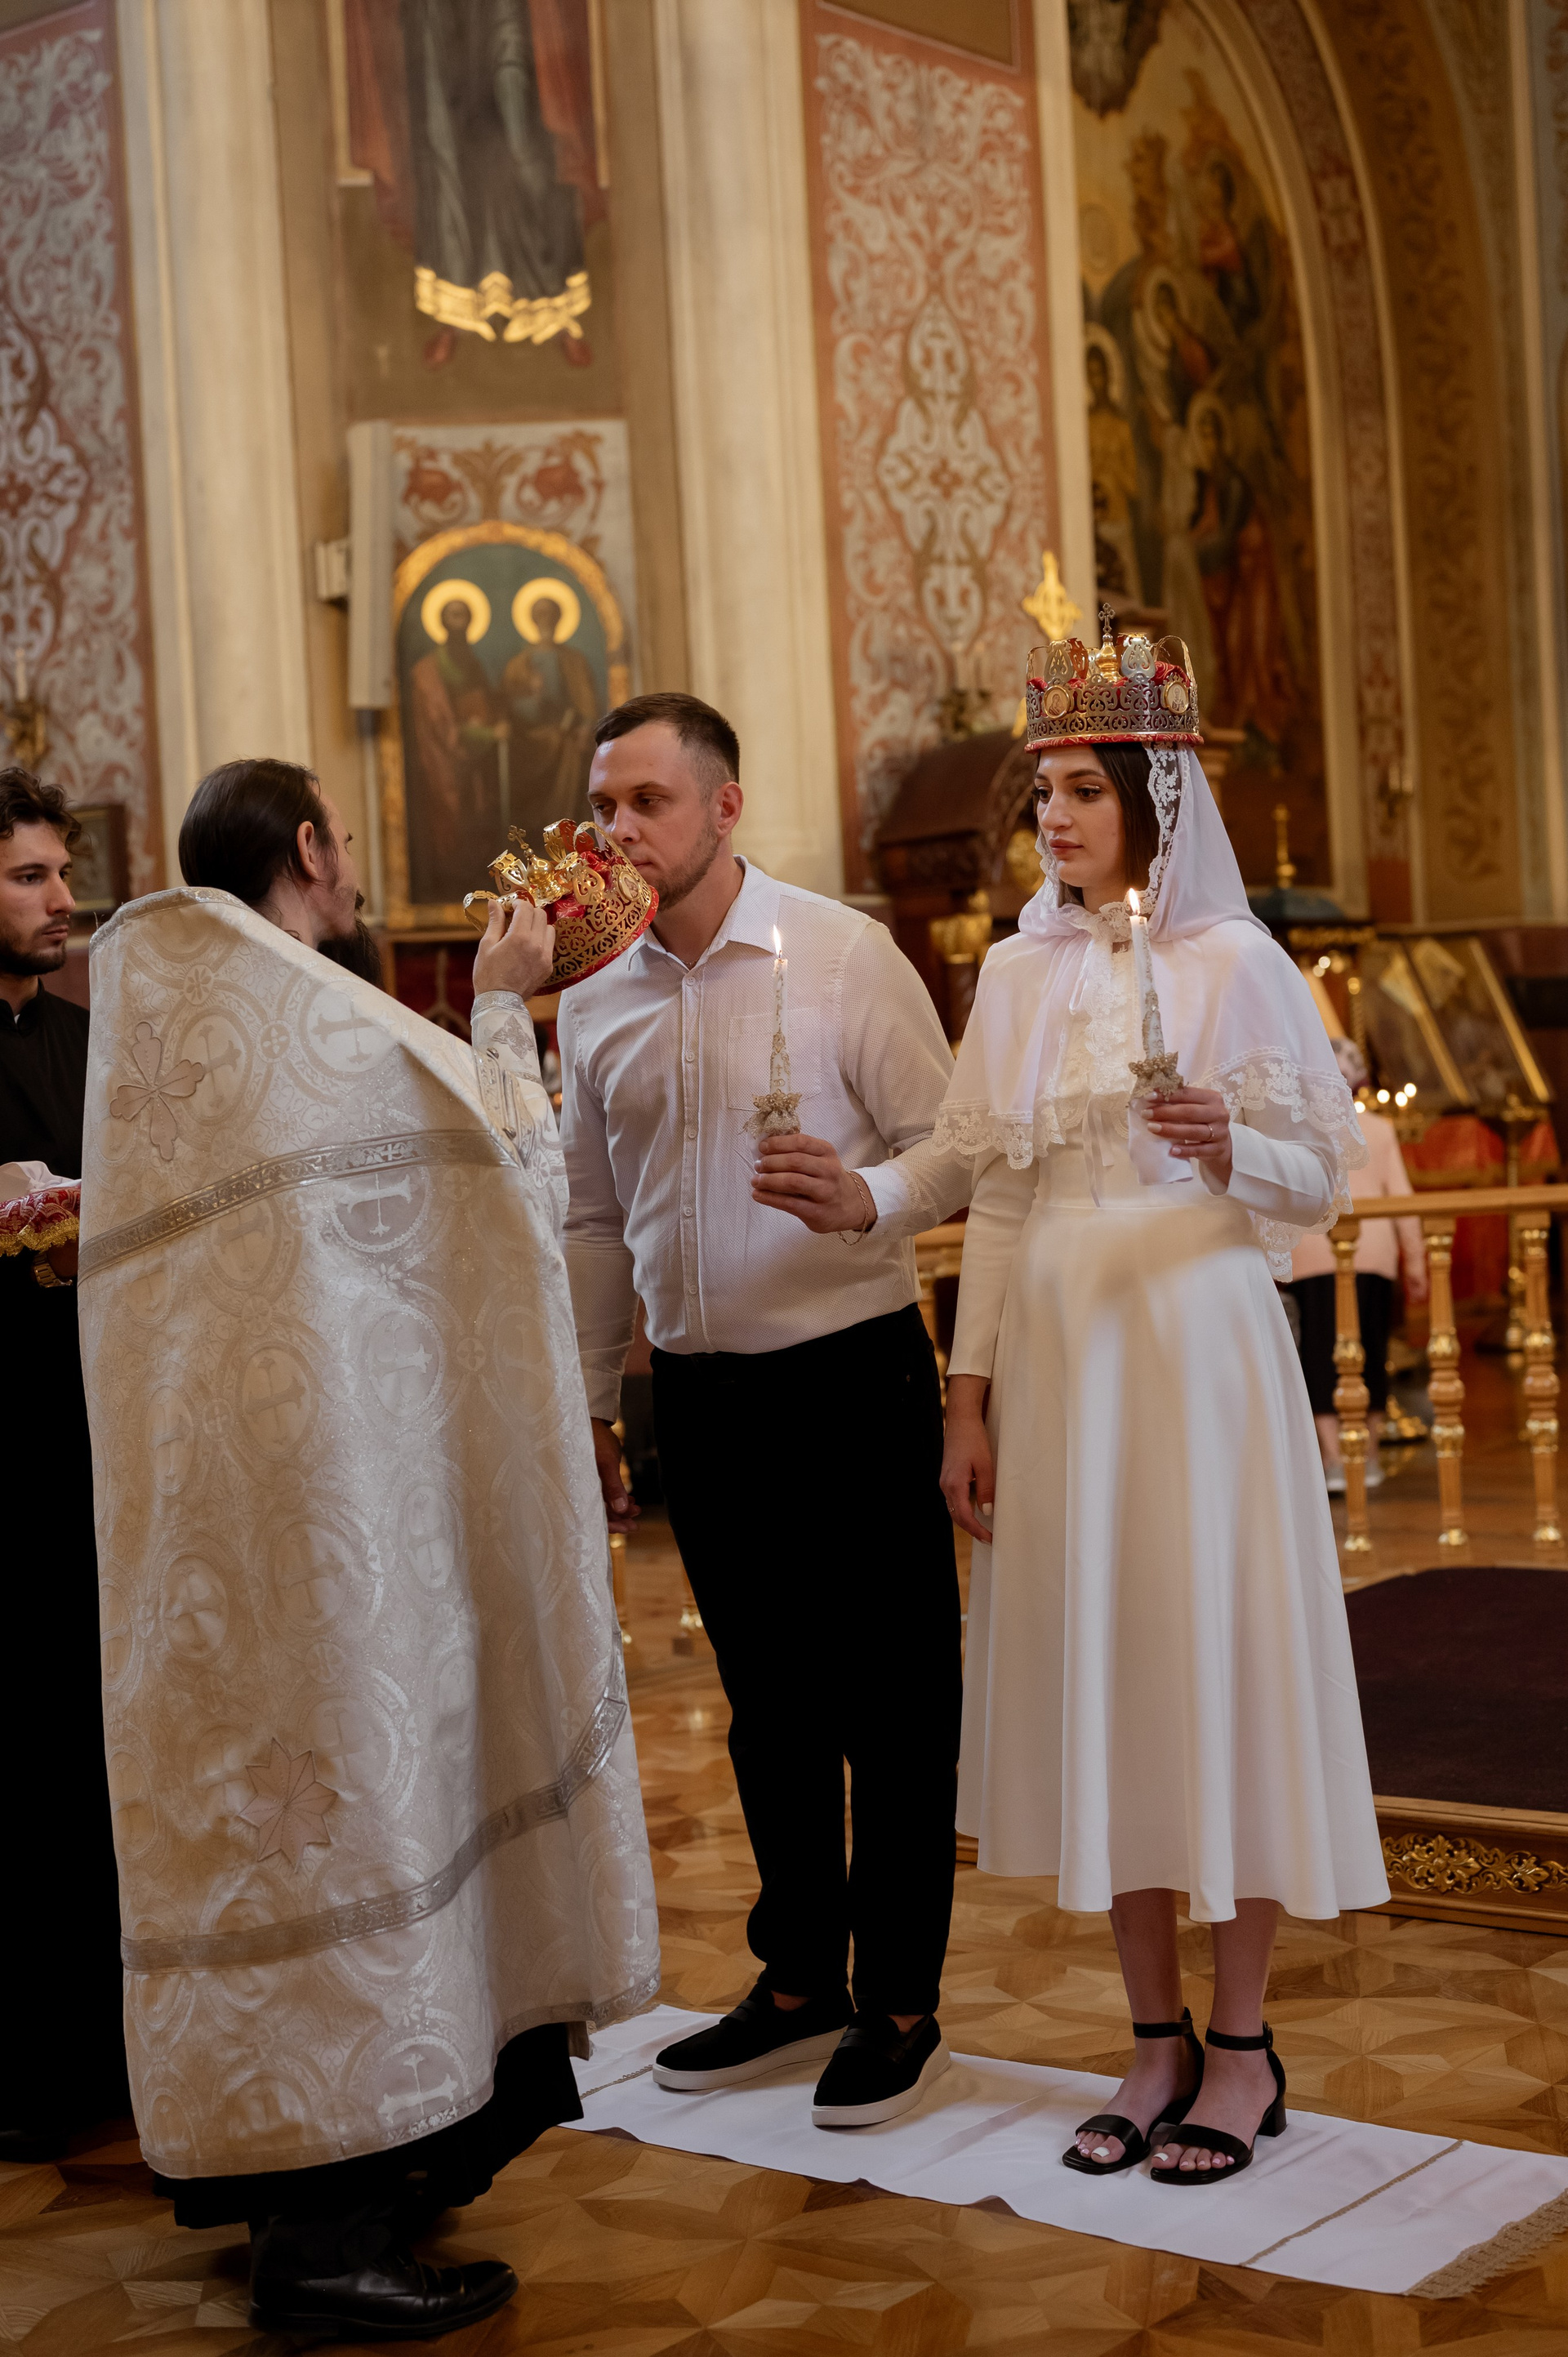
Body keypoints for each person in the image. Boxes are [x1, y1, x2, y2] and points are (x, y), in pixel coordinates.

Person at [78, 758, 657, 2338]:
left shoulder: (185, 1022)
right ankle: (327, 2241)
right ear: (310, 849)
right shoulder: (318, 1030)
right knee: (355, 1824)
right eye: (340, 834)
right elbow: (511, 1177)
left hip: (235, 1556)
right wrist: (505, 1004)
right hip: (341, 1555)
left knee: (299, 1837)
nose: (350, 858)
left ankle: (327, 2190)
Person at [938, 625, 1388, 2185]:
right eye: (1044, 792)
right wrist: (968, 1399)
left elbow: (1322, 1181)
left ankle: (1244, 2044)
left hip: (1199, 1356)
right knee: (1108, 1681)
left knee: (1218, 1675)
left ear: (1154, 802)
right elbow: (999, 1201)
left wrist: (1225, 1146)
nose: (1055, 818)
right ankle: (1151, 2038)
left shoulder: (1238, 964)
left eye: (1084, 789)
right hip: (1065, 1367)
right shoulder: (1016, 972)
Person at [560, 691, 973, 2128]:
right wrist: (589, 1399)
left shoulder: (843, 954)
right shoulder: (595, 996)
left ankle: (900, 2001)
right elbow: (590, 1218)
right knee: (769, 1709)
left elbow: (958, 1144)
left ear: (724, 807)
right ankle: (799, 1978)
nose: (619, 829)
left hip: (850, 1376)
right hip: (698, 1396)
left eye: (648, 802)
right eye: (603, 805)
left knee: (895, 1704)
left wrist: (869, 1197)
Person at [0, 768, 131, 2160]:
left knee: (87, 1750)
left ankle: (101, 2044)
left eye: (62, 873)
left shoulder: (89, 1039)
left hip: (90, 1440)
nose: (62, 900)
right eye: (29, 877)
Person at [1287, 1033, 1427, 1492]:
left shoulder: (1294, 1128)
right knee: (1369, 1354)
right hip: (1373, 1254)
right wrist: (1416, 1263)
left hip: (1312, 1251)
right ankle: (1367, 1458)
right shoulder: (1380, 1130)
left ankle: (1333, 1460)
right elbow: (1402, 1201)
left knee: (1319, 1356)